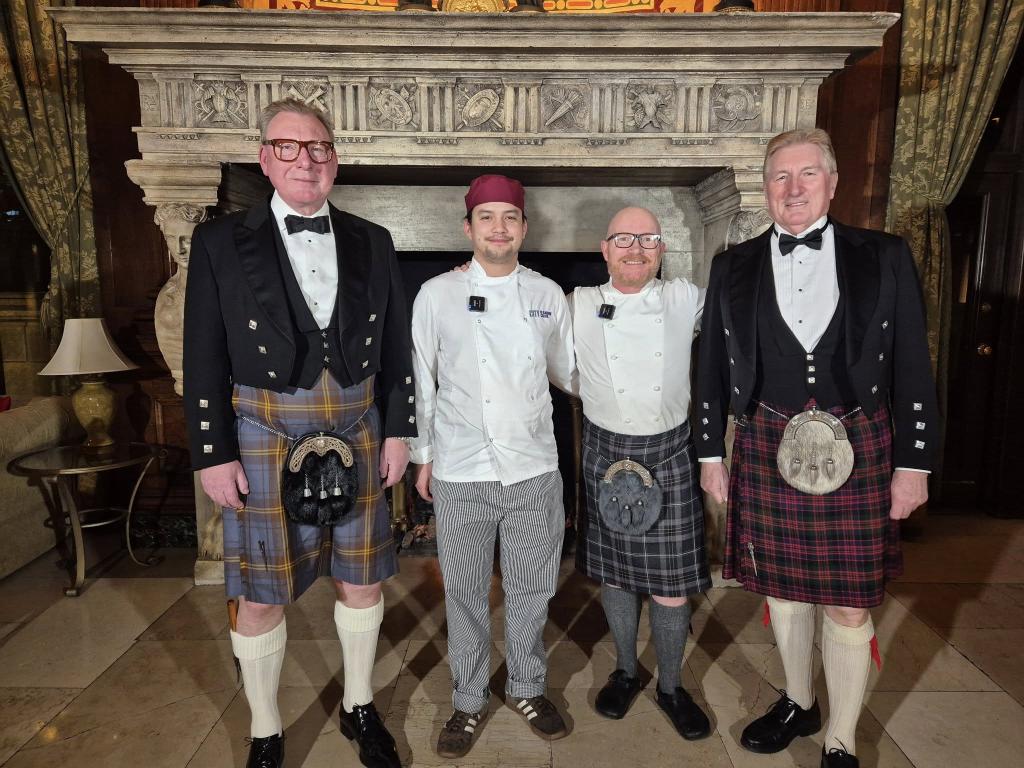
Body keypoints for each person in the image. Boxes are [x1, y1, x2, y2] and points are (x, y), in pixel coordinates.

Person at [184, 98, 415, 768]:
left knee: (363, 580)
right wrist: (212, 451)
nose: (305, 160)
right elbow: (201, 352)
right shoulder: (220, 242)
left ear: (334, 160)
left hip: (358, 428)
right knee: (259, 594)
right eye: (288, 146)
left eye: (317, 147)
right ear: (265, 158)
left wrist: (399, 432)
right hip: (262, 432)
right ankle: (264, 729)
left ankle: (359, 706)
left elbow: (396, 346)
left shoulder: (373, 239)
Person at [697, 128, 938, 768]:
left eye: (808, 174)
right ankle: (799, 702)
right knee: (782, 591)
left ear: (833, 183)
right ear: (766, 188)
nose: (794, 187)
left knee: (849, 601)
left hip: (860, 442)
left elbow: (913, 361)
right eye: (780, 176)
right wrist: (709, 454)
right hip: (766, 439)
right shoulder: (733, 264)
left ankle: (840, 738)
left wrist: (913, 464)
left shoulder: (883, 255)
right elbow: (710, 369)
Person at [409, 174, 575, 759]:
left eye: (510, 217)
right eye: (487, 218)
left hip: (533, 466)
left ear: (524, 228)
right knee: (465, 592)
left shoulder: (548, 295)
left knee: (533, 587)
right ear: (469, 227)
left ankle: (528, 686)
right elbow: (421, 381)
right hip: (461, 468)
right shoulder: (435, 294)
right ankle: (470, 697)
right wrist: (423, 457)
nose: (499, 228)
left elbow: (568, 373)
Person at [570, 206, 712, 740]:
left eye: (648, 239)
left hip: (671, 450)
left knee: (672, 585)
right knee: (616, 576)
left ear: (662, 250)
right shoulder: (579, 303)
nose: (636, 248)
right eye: (624, 239)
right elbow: (563, 368)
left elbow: (725, 339)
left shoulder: (685, 299)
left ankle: (672, 686)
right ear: (605, 249)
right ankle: (626, 671)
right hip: (607, 449)